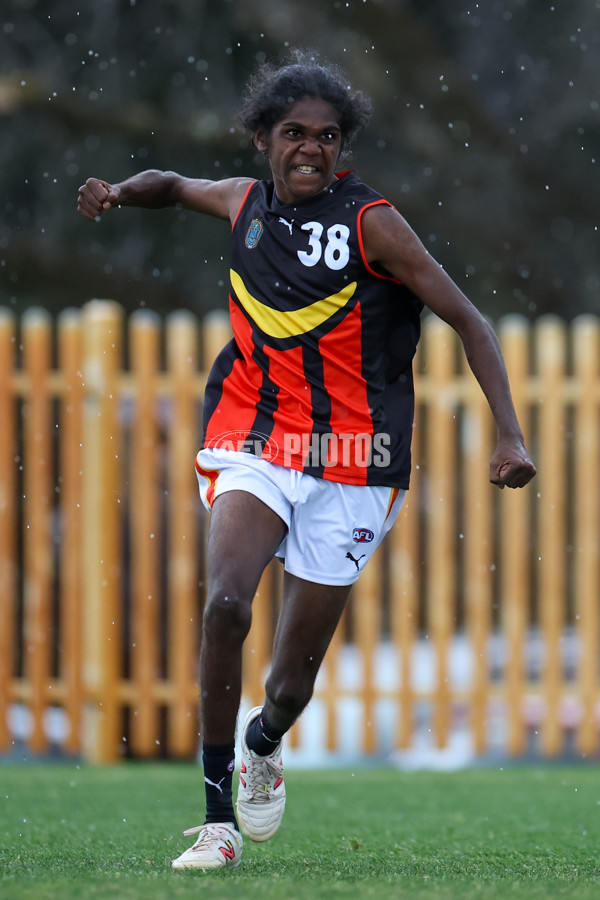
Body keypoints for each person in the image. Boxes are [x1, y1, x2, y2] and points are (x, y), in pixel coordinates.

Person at [77, 50, 536, 871]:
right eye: (295, 133)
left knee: (289, 685)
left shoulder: (374, 224)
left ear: (341, 146)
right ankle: (217, 820)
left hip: (357, 459)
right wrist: (117, 192)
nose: (311, 150)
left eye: (327, 137)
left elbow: (470, 320)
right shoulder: (242, 203)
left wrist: (510, 434)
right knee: (225, 604)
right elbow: (174, 185)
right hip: (254, 436)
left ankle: (263, 742)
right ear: (263, 139)